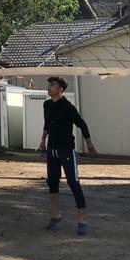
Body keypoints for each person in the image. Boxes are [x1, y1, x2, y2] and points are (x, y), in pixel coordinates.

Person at [38, 76, 97, 235]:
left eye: (52, 85)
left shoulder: (68, 107)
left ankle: (82, 219)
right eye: (49, 85)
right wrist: (43, 141)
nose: (49, 87)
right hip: (52, 149)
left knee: (73, 182)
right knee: (52, 182)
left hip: (66, 150)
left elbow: (82, 125)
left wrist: (90, 146)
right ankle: (55, 215)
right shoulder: (47, 105)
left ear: (60, 89)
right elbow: (47, 124)